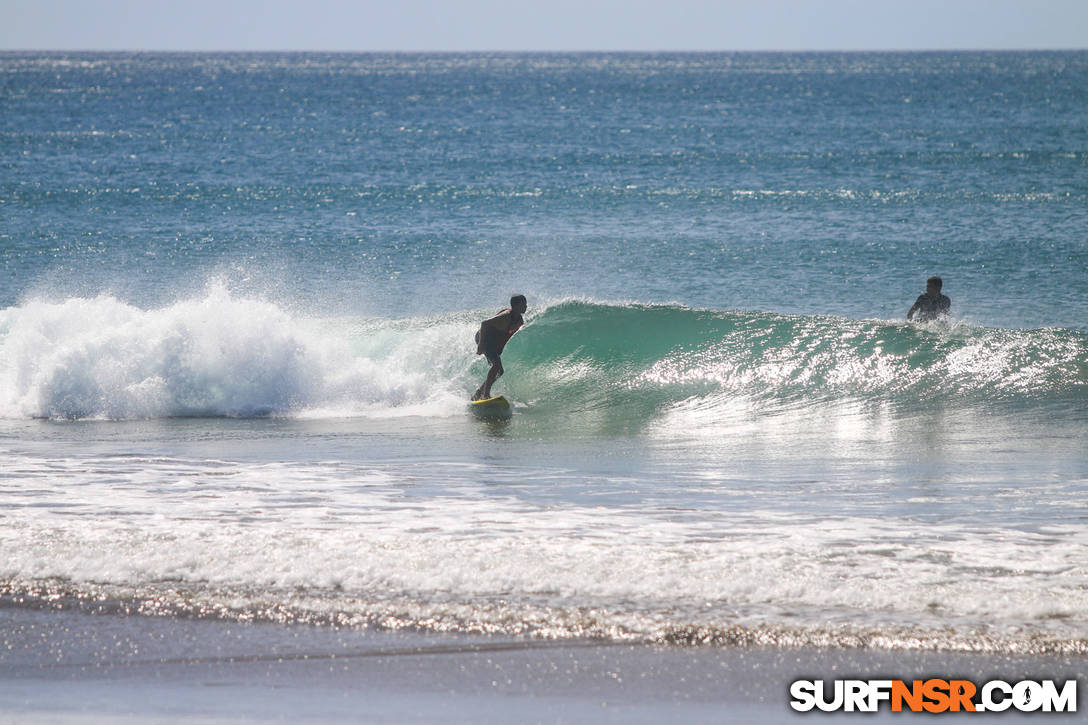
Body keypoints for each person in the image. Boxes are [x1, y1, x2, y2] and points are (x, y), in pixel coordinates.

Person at [473, 294, 527, 401]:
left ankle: (479, 393)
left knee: (499, 371)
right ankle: (485, 394)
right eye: (523, 304)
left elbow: (506, 336)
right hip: (484, 338)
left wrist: (499, 350)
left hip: (493, 342)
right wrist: (480, 346)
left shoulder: (519, 321)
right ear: (515, 306)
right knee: (496, 366)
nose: (526, 306)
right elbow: (484, 324)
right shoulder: (506, 315)